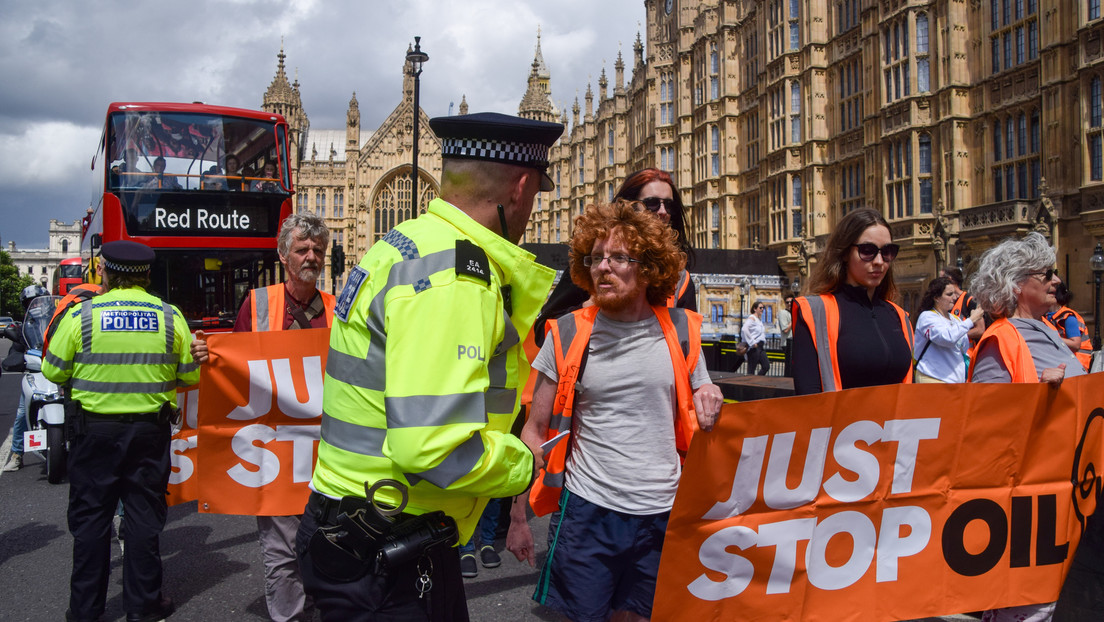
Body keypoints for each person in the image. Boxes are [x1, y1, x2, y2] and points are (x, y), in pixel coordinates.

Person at [296, 111, 564, 621]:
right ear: (520, 188)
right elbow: (430, 446)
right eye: (536, 193)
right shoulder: (455, 275)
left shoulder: (405, 243)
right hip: (389, 543)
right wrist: (523, 463)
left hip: (356, 522)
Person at [505, 201, 723, 622]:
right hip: (589, 512)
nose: (603, 267)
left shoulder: (681, 331)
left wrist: (711, 390)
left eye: (619, 257)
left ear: (648, 268)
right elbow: (533, 430)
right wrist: (517, 516)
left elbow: (702, 390)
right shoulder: (567, 333)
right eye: (596, 258)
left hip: (663, 511)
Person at [42, 240, 199, 622]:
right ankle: (143, 607)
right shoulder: (170, 317)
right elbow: (189, 375)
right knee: (144, 520)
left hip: (93, 435)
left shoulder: (82, 315)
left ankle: (86, 611)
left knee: (91, 523)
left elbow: (53, 370)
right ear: (146, 275)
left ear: (107, 273)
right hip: (149, 434)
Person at [190, 212, 334, 622]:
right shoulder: (256, 304)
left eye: (318, 250)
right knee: (281, 551)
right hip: (274, 452)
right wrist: (209, 356)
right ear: (283, 255)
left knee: (325, 544)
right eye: (302, 249)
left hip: (324, 454)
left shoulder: (336, 308)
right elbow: (235, 365)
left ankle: (321, 608)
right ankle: (290, 616)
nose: (311, 256)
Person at [967, 232, 1085, 621]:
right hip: (1027, 504)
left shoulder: (1047, 328)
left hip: (1063, 488)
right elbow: (984, 423)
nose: (1056, 281)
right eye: (1046, 274)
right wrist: (1037, 391)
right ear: (1017, 284)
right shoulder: (1001, 339)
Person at [536, 168, 697, 327]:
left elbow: (685, 336)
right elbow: (545, 328)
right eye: (652, 203)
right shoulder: (593, 263)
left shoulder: (680, 280)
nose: (663, 211)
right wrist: (593, 305)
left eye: (669, 205)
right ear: (628, 206)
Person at [791, 208, 914, 395]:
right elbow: (809, 396)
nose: (879, 261)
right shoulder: (814, 312)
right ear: (844, 253)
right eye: (867, 251)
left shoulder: (899, 316)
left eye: (887, 252)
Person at [1, 284, 51, 472]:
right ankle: (16, 454)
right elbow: (15, 349)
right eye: (30, 303)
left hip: (57, 372)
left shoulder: (57, 323)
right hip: (34, 375)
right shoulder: (24, 328)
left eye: (37, 302)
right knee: (22, 413)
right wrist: (16, 359)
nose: (35, 306)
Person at [913, 276, 983, 383]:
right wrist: (971, 320)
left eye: (954, 293)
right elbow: (947, 338)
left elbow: (962, 347)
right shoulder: (927, 317)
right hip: (933, 379)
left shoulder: (955, 319)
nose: (954, 297)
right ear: (936, 298)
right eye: (949, 294)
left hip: (956, 382)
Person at [1045, 282, 1091, 372]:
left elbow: (1075, 344)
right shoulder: (1047, 315)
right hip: (1064, 361)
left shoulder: (1068, 317)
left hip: (1077, 365)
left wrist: (1049, 337)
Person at [943, 266, 986, 343]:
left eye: (940, 279)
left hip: (968, 349)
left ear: (949, 279)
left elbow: (980, 330)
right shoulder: (944, 302)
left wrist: (956, 334)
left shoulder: (970, 300)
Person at [742, 300, 769, 375]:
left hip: (760, 346)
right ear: (755, 309)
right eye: (760, 308)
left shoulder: (758, 320)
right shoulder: (752, 318)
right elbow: (744, 329)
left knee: (766, 366)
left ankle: (756, 379)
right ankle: (750, 382)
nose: (762, 309)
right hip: (754, 347)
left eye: (763, 308)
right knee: (751, 369)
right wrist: (752, 342)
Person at [778, 291, 794, 376]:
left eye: (791, 302)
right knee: (789, 366)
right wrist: (793, 320)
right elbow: (785, 330)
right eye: (787, 302)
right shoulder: (783, 313)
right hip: (787, 344)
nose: (789, 304)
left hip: (794, 343)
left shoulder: (794, 313)